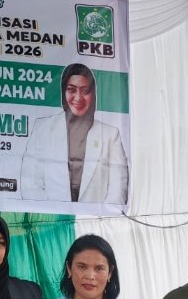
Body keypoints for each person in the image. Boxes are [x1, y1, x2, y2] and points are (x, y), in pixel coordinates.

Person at [20, 63, 128, 204]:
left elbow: (118, 188)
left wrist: (99, 216)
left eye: (85, 91)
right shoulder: (43, 128)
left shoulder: (110, 135)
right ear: (63, 92)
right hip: (52, 216)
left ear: (94, 94)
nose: (78, 98)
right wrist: (52, 214)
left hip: (94, 217)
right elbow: (29, 182)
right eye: (71, 90)